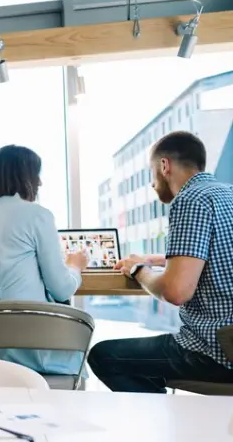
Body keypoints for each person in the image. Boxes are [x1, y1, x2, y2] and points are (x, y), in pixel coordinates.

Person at [88, 131, 233, 393]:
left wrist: (137, 269)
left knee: (105, 356)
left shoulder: (190, 199)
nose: (152, 183)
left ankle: (158, 426)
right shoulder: (226, 194)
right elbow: (213, 254)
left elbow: (176, 291)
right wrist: (155, 259)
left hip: (217, 350)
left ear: (164, 166)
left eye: (151, 172)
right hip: (228, 343)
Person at [0, 145, 89, 379]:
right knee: (79, 353)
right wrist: (75, 265)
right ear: (26, 177)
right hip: (30, 347)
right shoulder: (39, 216)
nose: (40, 183)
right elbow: (61, 287)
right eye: (36, 175)